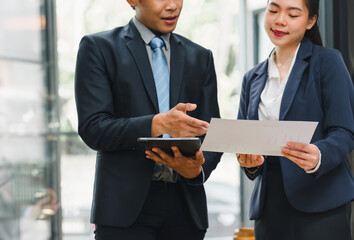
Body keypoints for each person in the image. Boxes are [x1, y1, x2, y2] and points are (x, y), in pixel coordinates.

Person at [75, 0, 222, 239]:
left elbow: (211, 131)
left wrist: (196, 170)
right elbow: (93, 128)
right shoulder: (99, 48)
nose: (173, 5)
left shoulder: (200, 56)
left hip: (185, 207)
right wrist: (159, 124)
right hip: (123, 209)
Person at [236, 0, 354, 239]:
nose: (280, 20)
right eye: (273, 10)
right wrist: (250, 162)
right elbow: (245, 138)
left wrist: (319, 155)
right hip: (269, 206)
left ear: (311, 21)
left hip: (320, 201)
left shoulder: (328, 62)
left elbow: (345, 131)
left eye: (292, 14)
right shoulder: (252, 78)